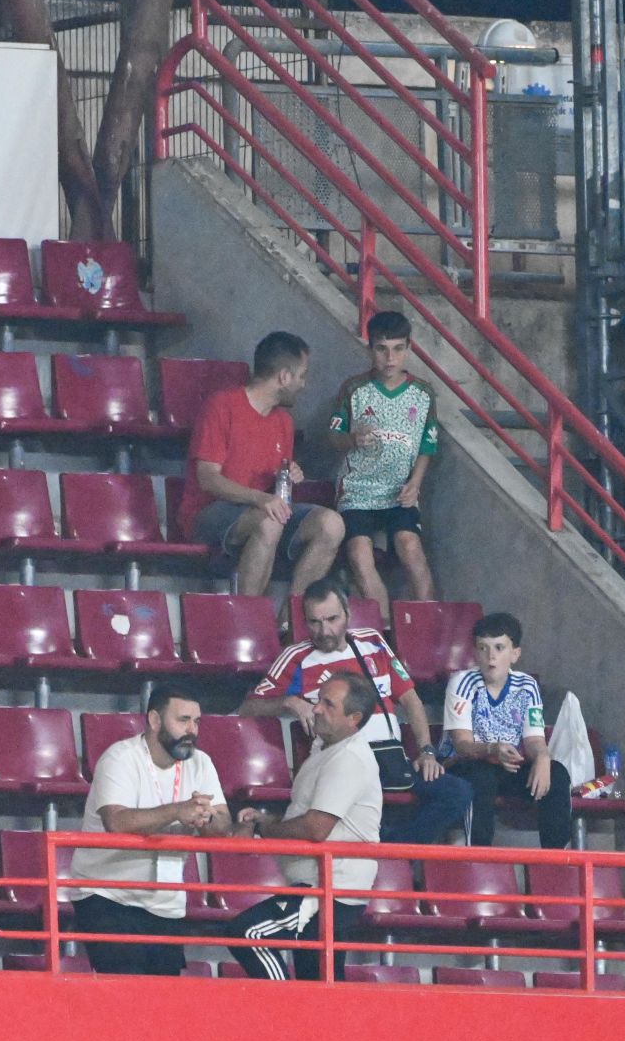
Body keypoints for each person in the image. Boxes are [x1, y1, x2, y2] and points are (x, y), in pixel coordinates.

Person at [240, 578, 468, 846]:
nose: (324, 630)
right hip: (340, 763)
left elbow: (411, 700)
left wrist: (426, 751)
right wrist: (289, 702)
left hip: (390, 759)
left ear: (348, 615)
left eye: (332, 619)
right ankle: (389, 849)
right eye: (314, 622)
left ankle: (395, 846)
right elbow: (248, 708)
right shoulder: (297, 658)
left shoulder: (372, 642)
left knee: (458, 792)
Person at [226, 676, 383, 982]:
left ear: (354, 719)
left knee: (247, 933)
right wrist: (265, 822)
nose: (316, 709)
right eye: (318, 699)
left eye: (328, 704)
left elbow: (315, 827)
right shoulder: (326, 748)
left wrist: (263, 830)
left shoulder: (348, 757)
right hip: (323, 887)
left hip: (328, 889)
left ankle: (288, 1011)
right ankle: (311, 1024)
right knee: (320, 980)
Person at [69, 684, 233, 975]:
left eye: (197, 722)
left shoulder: (201, 762)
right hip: (108, 895)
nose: (192, 730)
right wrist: (178, 811)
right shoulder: (120, 758)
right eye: (183, 720)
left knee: (161, 999)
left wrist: (206, 818)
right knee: (125, 993)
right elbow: (117, 823)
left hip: (165, 901)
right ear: (155, 721)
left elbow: (224, 825)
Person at [179, 330, 345, 600]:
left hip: (260, 511)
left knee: (331, 524)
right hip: (208, 513)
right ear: (284, 377)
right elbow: (207, 478)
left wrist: (288, 476)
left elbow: (275, 490)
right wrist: (260, 498)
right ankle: (250, 620)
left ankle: (292, 621)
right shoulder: (222, 406)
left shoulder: (284, 422)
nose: (304, 384)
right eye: (301, 376)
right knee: (269, 521)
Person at [326, 311, 437, 627]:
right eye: (381, 349)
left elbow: (427, 445)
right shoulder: (354, 389)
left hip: (399, 491)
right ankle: (387, 631)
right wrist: (351, 438)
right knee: (360, 554)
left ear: (409, 348)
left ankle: (428, 630)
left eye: (398, 349)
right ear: (369, 349)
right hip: (358, 489)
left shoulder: (423, 393)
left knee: (410, 546)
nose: (390, 358)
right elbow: (332, 436)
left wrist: (415, 483)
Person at [440, 612, 573, 849]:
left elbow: (533, 739)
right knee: (481, 777)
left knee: (557, 773)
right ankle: (479, 856)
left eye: (499, 648)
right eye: (483, 648)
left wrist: (542, 757)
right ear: (474, 653)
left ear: (515, 654)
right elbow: (462, 744)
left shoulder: (527, 686)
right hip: (464, 764)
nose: (491, 656)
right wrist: (492, 748)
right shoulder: (461, 682)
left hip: (508, 766)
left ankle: (556, 862)